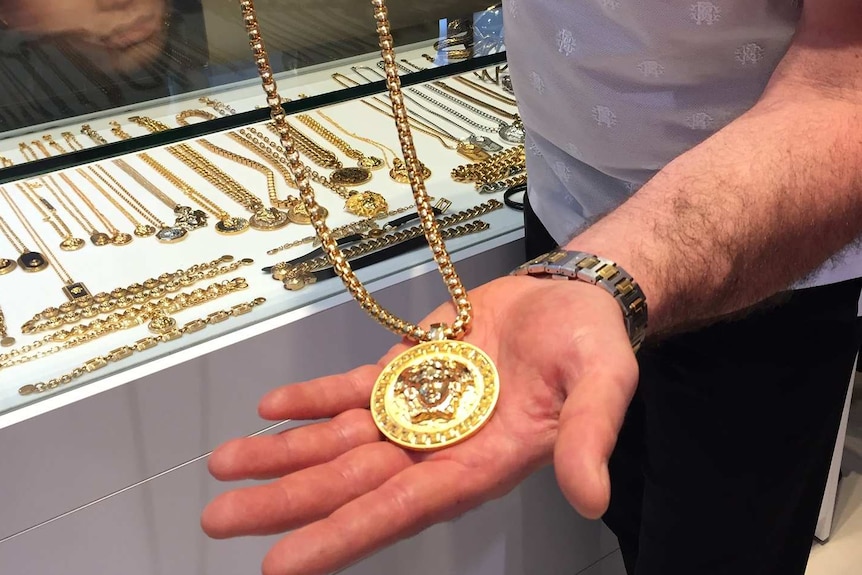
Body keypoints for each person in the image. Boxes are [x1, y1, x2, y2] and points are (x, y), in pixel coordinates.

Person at [200, 1, 862, 574]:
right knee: (623, 507)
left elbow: (845, 89)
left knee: (722, 551)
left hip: (768, 255)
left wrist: (604, 272)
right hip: (563, 204)